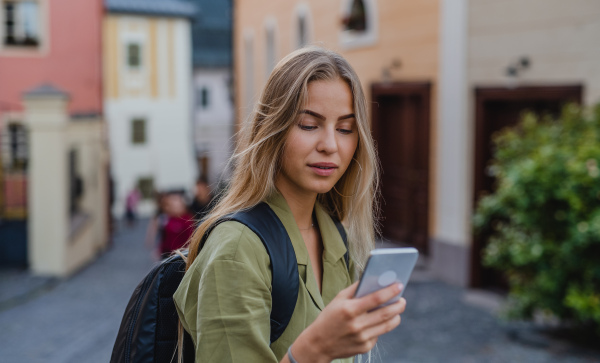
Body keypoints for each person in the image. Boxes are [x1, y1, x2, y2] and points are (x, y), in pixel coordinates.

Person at [174, 46, 406, 363]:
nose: (330, 145)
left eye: (345, 129)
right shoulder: (237, 250)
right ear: (274, 129)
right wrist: (313, 351)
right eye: (309, 125)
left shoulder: (335, 235)